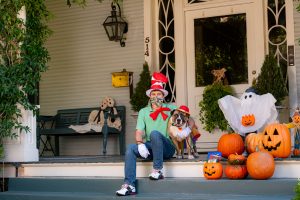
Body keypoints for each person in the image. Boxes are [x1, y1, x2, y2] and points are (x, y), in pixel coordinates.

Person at [116, 72, 194, 196]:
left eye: (159, 94)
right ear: (150, 97)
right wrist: (140, 144)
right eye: (153, 94)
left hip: (167, 147)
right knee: (131, 148)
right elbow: (139, 131)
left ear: (163, 96)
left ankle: (158, 170)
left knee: (154, 134)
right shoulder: (143, 111)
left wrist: (188, 130)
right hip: (151, 147)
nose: (156, 96)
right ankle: (129, 185)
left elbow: (188, 118)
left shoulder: (171, 108)